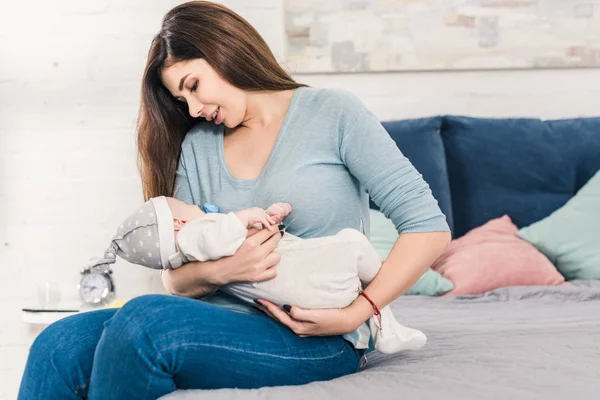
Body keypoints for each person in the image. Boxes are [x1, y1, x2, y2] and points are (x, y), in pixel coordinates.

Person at [18, 1, 451, 399]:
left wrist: (358, 312)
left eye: (193, 85)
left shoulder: (333, 114)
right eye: (181, 99)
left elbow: (428, 228)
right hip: (218, 320)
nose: (192, 108)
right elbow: (176, 280)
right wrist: (228, 270)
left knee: (145, 322)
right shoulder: (199, 146)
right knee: (56, 344)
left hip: (314, 333)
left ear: (225, 49)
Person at [87, 195, 427, 354]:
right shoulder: (195, 234)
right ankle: (386, 322)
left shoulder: (193, 247)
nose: (195, 205)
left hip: (304, 294)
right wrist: (244, 215)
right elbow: (216, 235)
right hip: (311, 288)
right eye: (183, 205)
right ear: (177, 223)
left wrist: (268, 216)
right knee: (354, 243)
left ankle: (381, 320)